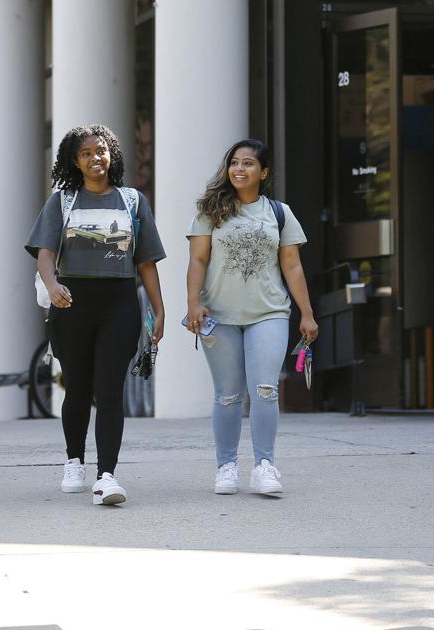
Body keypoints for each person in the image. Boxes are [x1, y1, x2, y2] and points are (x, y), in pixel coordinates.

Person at [25, 123, 166, 506]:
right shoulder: (63, 201)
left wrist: (158, 308)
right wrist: (52, 286)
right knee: (78, 388)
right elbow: (45, 253)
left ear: (112, 154)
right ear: (75, 160)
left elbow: (147, 260)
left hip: (119, 302)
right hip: (72, 302)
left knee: (109, 391)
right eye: (86, 153)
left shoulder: (133, 201)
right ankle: (74, 460)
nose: (95, 157)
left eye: (100, 150)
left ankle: (106, 475)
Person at [186, 139, 317, 496]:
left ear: (264, 172)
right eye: (234, 163)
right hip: (220, 315)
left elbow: (292, 265)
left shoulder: (279, 213)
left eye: (248, 163)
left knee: (265, 389)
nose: (239, 169)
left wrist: (306, 313)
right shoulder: (210, 212)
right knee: (228, 395)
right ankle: (226, 466)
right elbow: (197, 260)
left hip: (269, 313)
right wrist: (193, 303)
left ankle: (264, 466)